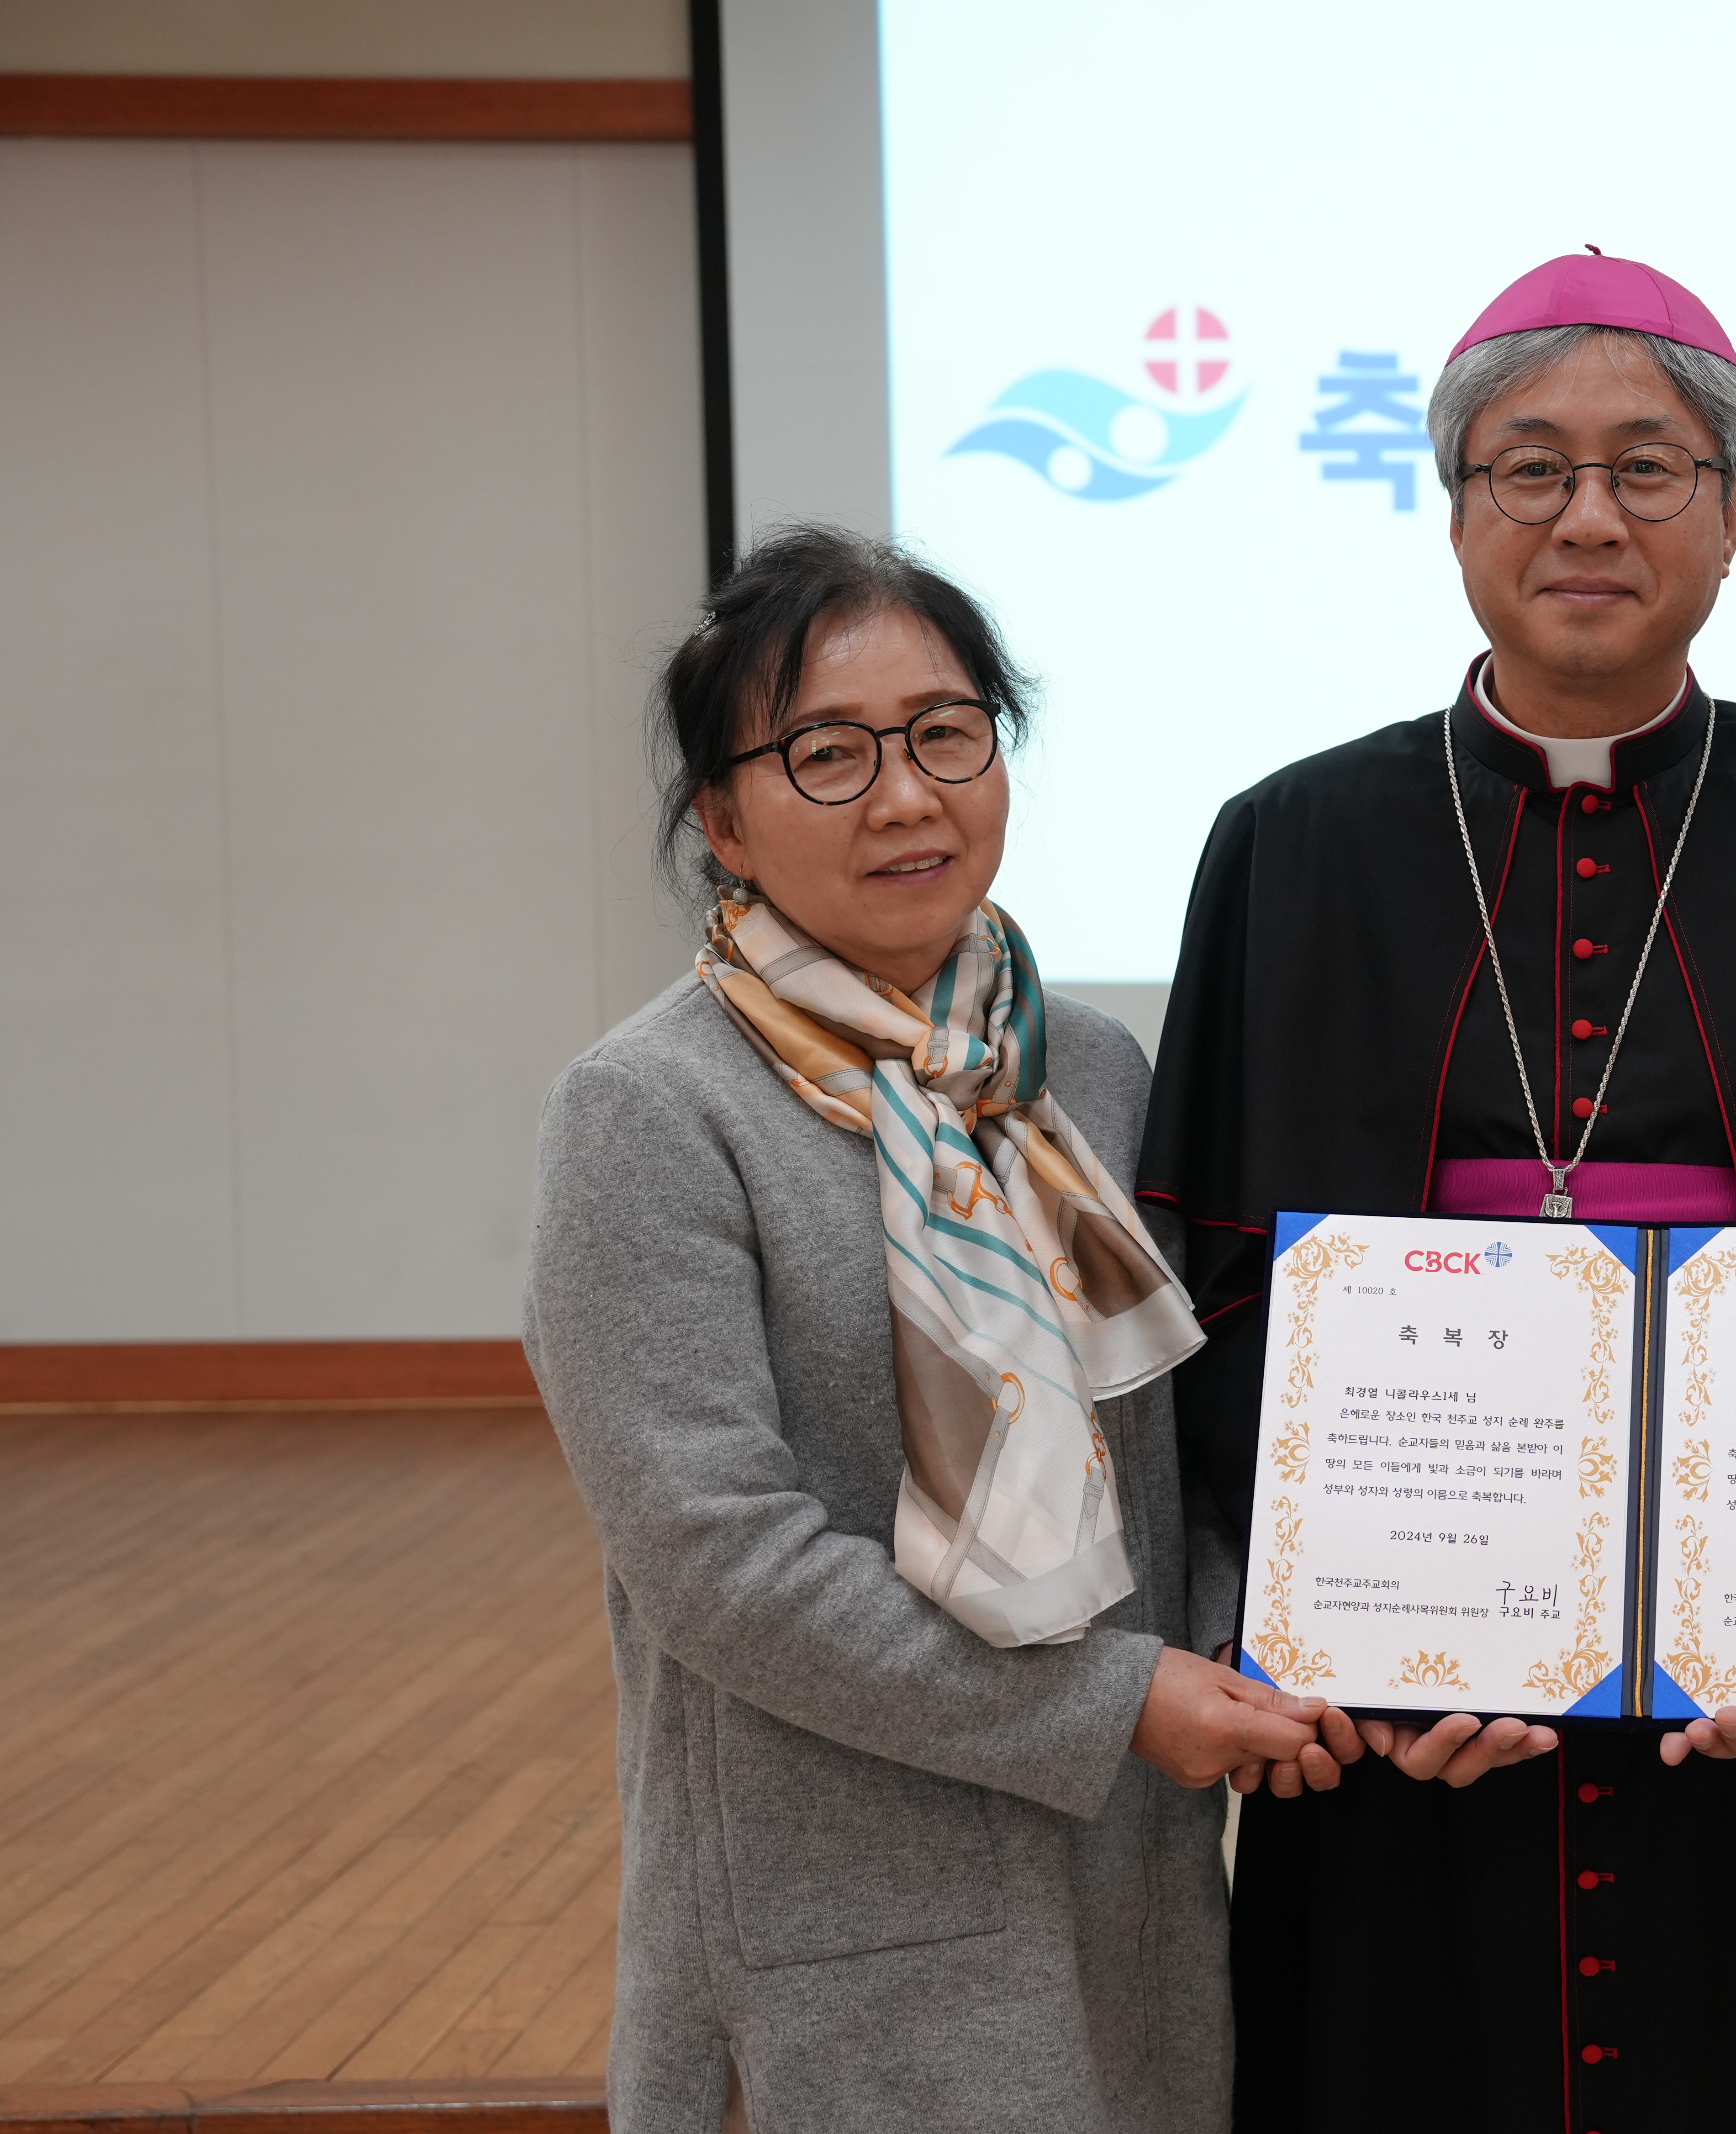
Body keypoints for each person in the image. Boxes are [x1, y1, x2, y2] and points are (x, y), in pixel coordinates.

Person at [1137, 252, 1736, 2133]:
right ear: (1455, 508)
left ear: (1732, 514)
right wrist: (1343, 1639)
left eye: (1651, 468)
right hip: (1409, 1692)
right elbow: (1212, 1292)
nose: (1588, 517)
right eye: (1528, 467)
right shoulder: (1290, 841)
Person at [522, 527, 1325, 2134]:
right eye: (828, 753)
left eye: (948, 733)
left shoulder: (1082, 1068)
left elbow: (1181, 1451)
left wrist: (1254, 1647)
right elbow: (722, 1567)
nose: (907, 795)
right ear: (723, 824)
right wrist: (1116, 1709)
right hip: (840, 1886)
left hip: (1128, 1881)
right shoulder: (651, 1113)